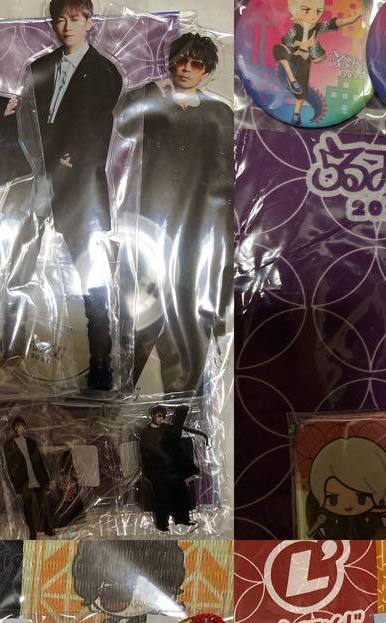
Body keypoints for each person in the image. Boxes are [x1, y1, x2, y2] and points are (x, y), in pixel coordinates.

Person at [1, 0, 123, 390]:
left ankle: (101, 363)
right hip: (38, 181)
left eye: (75, 19)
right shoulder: (38, 68)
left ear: (89, 21)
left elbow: (96, 133)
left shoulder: (104, 72)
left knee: (92, 277)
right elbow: (27, 125)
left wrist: (67, 156)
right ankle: (8, 348)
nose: (66, 26)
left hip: (80, 189)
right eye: (60, 20)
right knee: (17, 264)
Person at [116, 32, 233, 393]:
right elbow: (124, 124)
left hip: (197, 222)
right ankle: (119, 387)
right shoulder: (152, 101)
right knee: (143, 305)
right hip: (149, 218)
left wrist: (220, 227)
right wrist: (153, 90)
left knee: (188, 304)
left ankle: (183, 397)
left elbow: (224, 176)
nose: (186, 68)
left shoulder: (218, 113)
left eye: (196, 64)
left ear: (206, 71)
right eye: (181, 60)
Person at [139, 404, 203, 532]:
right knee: (162, 497)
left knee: (181, 494)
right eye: (159, 416)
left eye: (163, 416)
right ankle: (162, 524)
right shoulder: (146, 432)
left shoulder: (166, 428)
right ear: (152, 416)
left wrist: (181, 414)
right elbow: (147, 453)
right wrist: (151, 472)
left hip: (173, 469)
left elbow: (176, 435)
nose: (161, 419)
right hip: (158, 472)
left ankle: (183, 518)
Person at [4, 416, 53, 539]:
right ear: (14, 428)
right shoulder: (9, 445)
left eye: (22, 425)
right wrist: (16, 485)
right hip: (23, 481)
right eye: (18, 426)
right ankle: (32, 531)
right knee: (27, 507)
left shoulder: (31, 442)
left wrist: (46, 480)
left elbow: (39, 462)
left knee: (43, 504)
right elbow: (10, 467)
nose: (21, 428)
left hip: (36, 477)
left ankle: (47, 528)